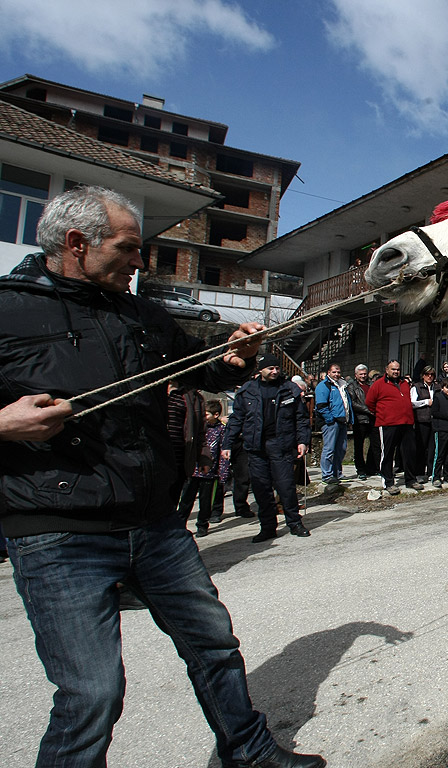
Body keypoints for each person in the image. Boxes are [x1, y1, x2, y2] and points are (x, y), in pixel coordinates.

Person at [0, 186, 324, 767]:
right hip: (58, 530)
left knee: (214, 644)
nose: (140, 261)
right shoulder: (6, 309)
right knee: (92, 692)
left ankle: (246, 752)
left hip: (154, 520)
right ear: (78, 243)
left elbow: (204, 372)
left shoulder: (143, 314)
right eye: (128, 247)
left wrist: (239, 357)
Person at [222, 353, 313, 542]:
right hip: (256, 447)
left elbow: (301, 418)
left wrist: (303, 440)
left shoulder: (290, 390)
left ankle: (295, 523)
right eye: (270, 368)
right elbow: (236, 419)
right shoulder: (247, 391)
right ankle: (268, 527)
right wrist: (227, 443)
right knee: (261, 489)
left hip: (282, 445)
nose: (274, 371)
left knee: (286, 487)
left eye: (277, 368)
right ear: (260, 370)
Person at [366, 359, 423, 495]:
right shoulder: (378, 384)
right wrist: (383, 413)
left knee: (409, 453)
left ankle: (410, 479)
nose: (396, 371)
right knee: (387, 454)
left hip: (406, 423)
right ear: (387, 370)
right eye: (393, 369)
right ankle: (388, 482)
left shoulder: (404, 383)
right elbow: (369, 403)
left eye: (397, 369)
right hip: (388, 424)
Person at [177, 400, 230, 536]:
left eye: (206, 414)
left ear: (216, 415)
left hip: (209, 473)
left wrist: (222, 473)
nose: (204, 417)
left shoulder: (221, 430)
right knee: (186, 500)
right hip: (193, 471)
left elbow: (223, 452)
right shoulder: (198, 428)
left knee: (205, 501)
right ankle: (179, 525)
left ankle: (202, 524)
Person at [314, 362, 352, 484]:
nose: (336, 374)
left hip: (342, 421)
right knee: (329, 449)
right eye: (334, 372)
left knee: (341, 448)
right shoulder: (323, 386)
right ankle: (327, 475)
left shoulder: (342, 385)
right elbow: (321, 405)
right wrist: (330, 419)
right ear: (329, 373)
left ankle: (337, 473)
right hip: (331, 422)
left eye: (338, 372)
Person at [346, 363, 380, 480]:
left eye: (365, 374)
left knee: (375, 444)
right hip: (360, 419)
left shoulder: (372, 385)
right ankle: (360, 469)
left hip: (373, 418)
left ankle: (373, 467)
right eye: (361, 374)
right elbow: (353, 403)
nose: (363, 376)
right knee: (359, 445)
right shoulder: (351, 386)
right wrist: (367, 410)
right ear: (356, 375)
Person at [430, 377, 448, 487]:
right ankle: (436, 476)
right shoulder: (438, 397)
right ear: (443, 388)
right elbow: (435, 412)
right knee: (440, 454)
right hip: (441, 429)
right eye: (447, 388)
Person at [411, 365, 439, 483]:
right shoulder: (416, 387)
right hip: (421, 420)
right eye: (427, 374)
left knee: (433, 448)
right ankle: (419, 472)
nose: (430, 377)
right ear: (423, 375)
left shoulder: (437, 387)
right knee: (421, 447)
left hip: (434, 420)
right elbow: (412, 403)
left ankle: (431, 472)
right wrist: (425, 402)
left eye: (432, 375)